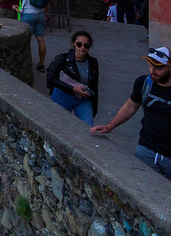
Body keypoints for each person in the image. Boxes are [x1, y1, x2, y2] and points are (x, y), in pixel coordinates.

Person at [92, 46, 171, 178]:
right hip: (146, 149)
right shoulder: (144, 83)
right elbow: (130, 106)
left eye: (158, 68)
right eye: (150, 66)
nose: (153, 71)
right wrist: (110, 126)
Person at [47, 31, 99, 124]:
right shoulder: (62, 58)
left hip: (83, 99)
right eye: (79, 44)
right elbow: (51, 78)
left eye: (86, 45)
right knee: (57, 125)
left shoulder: (93, 62)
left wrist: (94, 108)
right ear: (73, 44)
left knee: (88, 127)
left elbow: (95, 86)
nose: (82, 48)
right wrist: (73, 89)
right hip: (62, 96)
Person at [12, 0, 49, 68]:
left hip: (28, 13)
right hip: (41, 13)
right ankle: (41, 64)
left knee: (26, 39)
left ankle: (25, 64)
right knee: (41, 39)